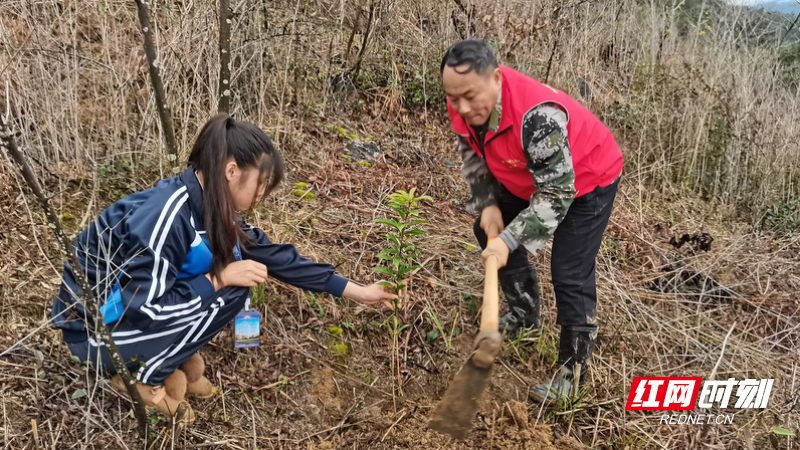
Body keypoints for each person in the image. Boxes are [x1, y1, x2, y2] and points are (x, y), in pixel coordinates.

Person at [51, 114, 396, 422]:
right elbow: (147, 309)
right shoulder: (167, 217)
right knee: (227, 282)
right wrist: (216, 279)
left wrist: (358, 291)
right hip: (95, 333)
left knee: (238, 280)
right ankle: (143, 379)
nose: (263, 194)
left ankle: (174, 363)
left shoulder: (213, 208)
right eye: (261, 183)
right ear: (231, 171)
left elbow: (274, 256)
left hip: (126, 316)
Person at [440, 40, 623, 402]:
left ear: (495, 78)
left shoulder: (538, 117)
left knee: (570, 270)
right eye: (453, 98)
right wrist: (488, 204)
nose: (461, 107)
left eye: (469, 97)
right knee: (483, 226)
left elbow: (557, 194)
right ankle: (524, 313)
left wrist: (508, 242)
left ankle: (573, 372)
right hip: (525, 173)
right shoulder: (461, 101)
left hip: (587, 179)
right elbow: (470, 150)